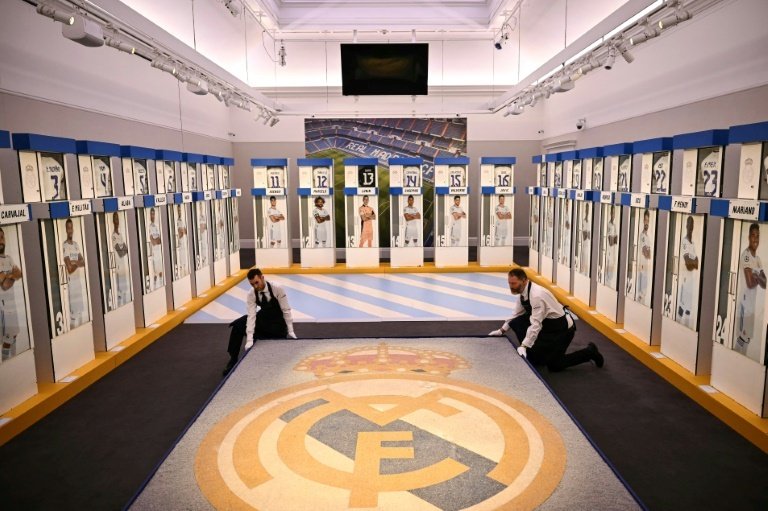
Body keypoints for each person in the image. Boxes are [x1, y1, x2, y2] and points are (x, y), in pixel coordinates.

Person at [489, 268, 603, 371]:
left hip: (562, 330)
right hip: (547, 326)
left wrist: (524, 345)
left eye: (513, 283)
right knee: (517, 322)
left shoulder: (536, 296)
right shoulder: (522, 292)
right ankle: (534, 355)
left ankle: (589, 352)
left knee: (555, 365)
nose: (511, 286)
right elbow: (516, 314)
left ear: (524, 280)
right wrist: (501, 330)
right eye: (509, 283)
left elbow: (536, 325)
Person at [224, 268, 297, 375]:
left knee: (278, 356)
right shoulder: (251, 294)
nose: (255, 286)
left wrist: (290, 330)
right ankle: (233, 358)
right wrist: (249, 339)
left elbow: (286, 310)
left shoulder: (277, 288)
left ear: (262, 278)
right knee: (238, 324)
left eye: (257, 282)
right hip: (263, 321)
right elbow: (251, 316)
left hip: (278, 326)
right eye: (252, 284)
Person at [735, 223, 766, 358]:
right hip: (744, 304)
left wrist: (756, 276)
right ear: (749, 237)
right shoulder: (746, 255)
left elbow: (765, 284)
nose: (756, 239)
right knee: (742, 337)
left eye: (758, 236)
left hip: (751, 307)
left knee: (747, 339)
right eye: (753, 235)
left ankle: (741, 364)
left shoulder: (758, 260)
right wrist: (757, 277)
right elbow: (749, 283)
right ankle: (734, 361)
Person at [0, 227, 23, 361]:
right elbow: (5, 285)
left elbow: (19, 273)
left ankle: (14, 361)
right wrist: (12, 275)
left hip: (12, 305)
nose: (1, 240)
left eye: (2, 237)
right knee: (7, 339)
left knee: (14, 335)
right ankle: (6, 363)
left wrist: (9, 275)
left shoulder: (9, 258)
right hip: (3, 307)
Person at [63, 218, 86, 329]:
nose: (70, 230)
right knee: (73, 317)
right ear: (66, 230)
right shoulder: (65, 246)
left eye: (71, 227)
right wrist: (78, 262)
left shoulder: (76, 245)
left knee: (81, 314)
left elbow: (83, 262)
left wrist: (75, 262)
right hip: (72, 286)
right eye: (68, 228)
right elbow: (70, 269)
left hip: (79, 285)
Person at [677, 215, 700, 328]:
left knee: (688, 311)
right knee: (682, 308)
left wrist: (694, 263)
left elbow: (697, 263)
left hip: (691, 283)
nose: (690, 227)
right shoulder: (684, 242)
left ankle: (684, 332)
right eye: (689, 224)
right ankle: (677, 328)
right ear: (686, 226)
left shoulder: (693, 244)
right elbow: (688, 263)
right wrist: (693, 262)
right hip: (685, 281)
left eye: (692, 225)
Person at [111, 212, 130, 307]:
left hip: (123, 268)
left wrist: (123, 249)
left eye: (118, 219)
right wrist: (123, 249)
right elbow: (121, 252)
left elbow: (126, 250)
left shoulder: (121, 235)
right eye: (115, 219)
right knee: (120, 293)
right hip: (118, 268)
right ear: (113, 222)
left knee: (125, 291)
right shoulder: (113, 236)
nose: (117, 221)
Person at [637, 210, 652, 304]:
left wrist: (648, 251)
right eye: (645, 220)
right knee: (641, 294)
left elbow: (649, 254)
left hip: (646, 268)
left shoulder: (647, 236)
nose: (647, 223)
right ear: (643, 220)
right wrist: (647, 251)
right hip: (642, 267)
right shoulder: (642, 236)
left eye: (648, 221)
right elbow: (647, 253)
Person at [148, 208, 163, 288]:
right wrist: (156, 239)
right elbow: (153, 242)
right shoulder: (150, 226)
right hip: (153, 253)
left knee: (160, 272)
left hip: (159, 252)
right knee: (154, 273)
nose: (152, 216)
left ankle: (161, 286)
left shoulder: (156, 226)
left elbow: (160, 240)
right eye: (151, 214)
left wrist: (156, 239)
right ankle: (154, 287)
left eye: (153, 214)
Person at [175, 204, 189, 278]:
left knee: (185, 264)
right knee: (181, 264)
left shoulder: (182, 220)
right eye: (178, 210)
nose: (179, 212)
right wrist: (182, 231)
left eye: (180, 210)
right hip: (180, 246)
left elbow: (185, 231)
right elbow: (179, 233)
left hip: (184, 245)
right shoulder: (177, 221)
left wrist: (182, 230)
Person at [605, 206, 618, 287]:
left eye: (614, 213)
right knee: (609, 269)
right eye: (612, 213)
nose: (613, 214)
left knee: (612, 268)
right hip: (609, 252)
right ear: (610, 213)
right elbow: (610, 241)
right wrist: (613, 238)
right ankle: (607, 284)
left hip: (613, 252)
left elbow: (616, 239)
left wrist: (613, 239)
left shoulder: (615, 225)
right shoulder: (609, 225)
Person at [579, 206, 591, 275]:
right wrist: (587, 234)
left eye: (588, 210)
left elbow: (589, 236)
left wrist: (587, 233)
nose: (587, 211)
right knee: (583, 262)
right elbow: (584, 236)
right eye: (586, 210)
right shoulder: (583, 221)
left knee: (587, 263)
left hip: (588, 246)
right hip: (583, 246)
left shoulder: (589, 222)